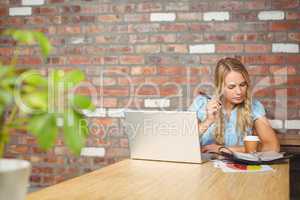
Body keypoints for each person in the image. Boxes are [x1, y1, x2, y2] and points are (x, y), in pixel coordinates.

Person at [189, 57, 280, 153]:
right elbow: (182, 141)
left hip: (238, 166)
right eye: (231, 87)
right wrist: (208, 121)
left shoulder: (254, 106)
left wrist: (224, 150)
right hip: (204, 166)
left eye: (242, 85)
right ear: (220, 86)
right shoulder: (200, 103)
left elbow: (273, 147)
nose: (239, 92)